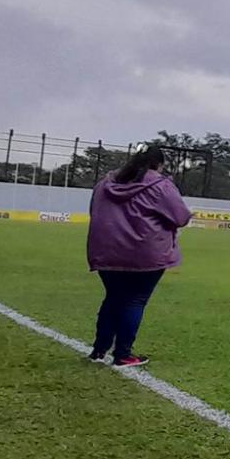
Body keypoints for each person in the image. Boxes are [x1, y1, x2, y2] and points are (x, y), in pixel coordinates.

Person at [85, 146, 192, 367]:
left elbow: (94, 211)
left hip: (106, 250)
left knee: (113, 298)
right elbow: (181, 217)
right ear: (158, 164)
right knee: (135, 300)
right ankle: (123, 354)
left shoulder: (104, 184)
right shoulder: (161, 185)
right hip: (145, 253)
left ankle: (99, 349)